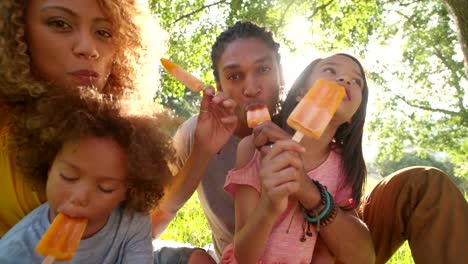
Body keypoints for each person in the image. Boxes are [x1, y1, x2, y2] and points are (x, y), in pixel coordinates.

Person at [154, 20, 468, 264]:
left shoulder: (319, 138)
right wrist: (203, 152)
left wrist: (309, 191)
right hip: (254, 253)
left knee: (424, 183)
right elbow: (155, 217)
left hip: (333, 247)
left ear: (281, 76)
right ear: (218, 82)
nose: (251, 88)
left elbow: (361, 252)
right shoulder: (199, 133)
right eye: (234, 76)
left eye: (263, 70)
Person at [0, 0, 163, 237]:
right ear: (17, 30)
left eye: (103, 32)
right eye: (60, 23)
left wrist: (202, 150)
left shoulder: (129, 135)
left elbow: (137, 234)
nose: (88, 48)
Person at [221, 53, 374, 263]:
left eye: (356, 81)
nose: (345, 80)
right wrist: (270, 207)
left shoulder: (343, 166)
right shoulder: (256, 148)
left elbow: (348, 253)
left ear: (353, 115)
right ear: (301, 93)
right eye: (330, 70)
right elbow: (243, 255)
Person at [0, 87, 175, 263]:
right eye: (68, 177)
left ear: (128, 191)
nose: (80, 196)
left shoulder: (132, 224)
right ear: (48, 167)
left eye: (106, 188)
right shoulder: (13, 251)